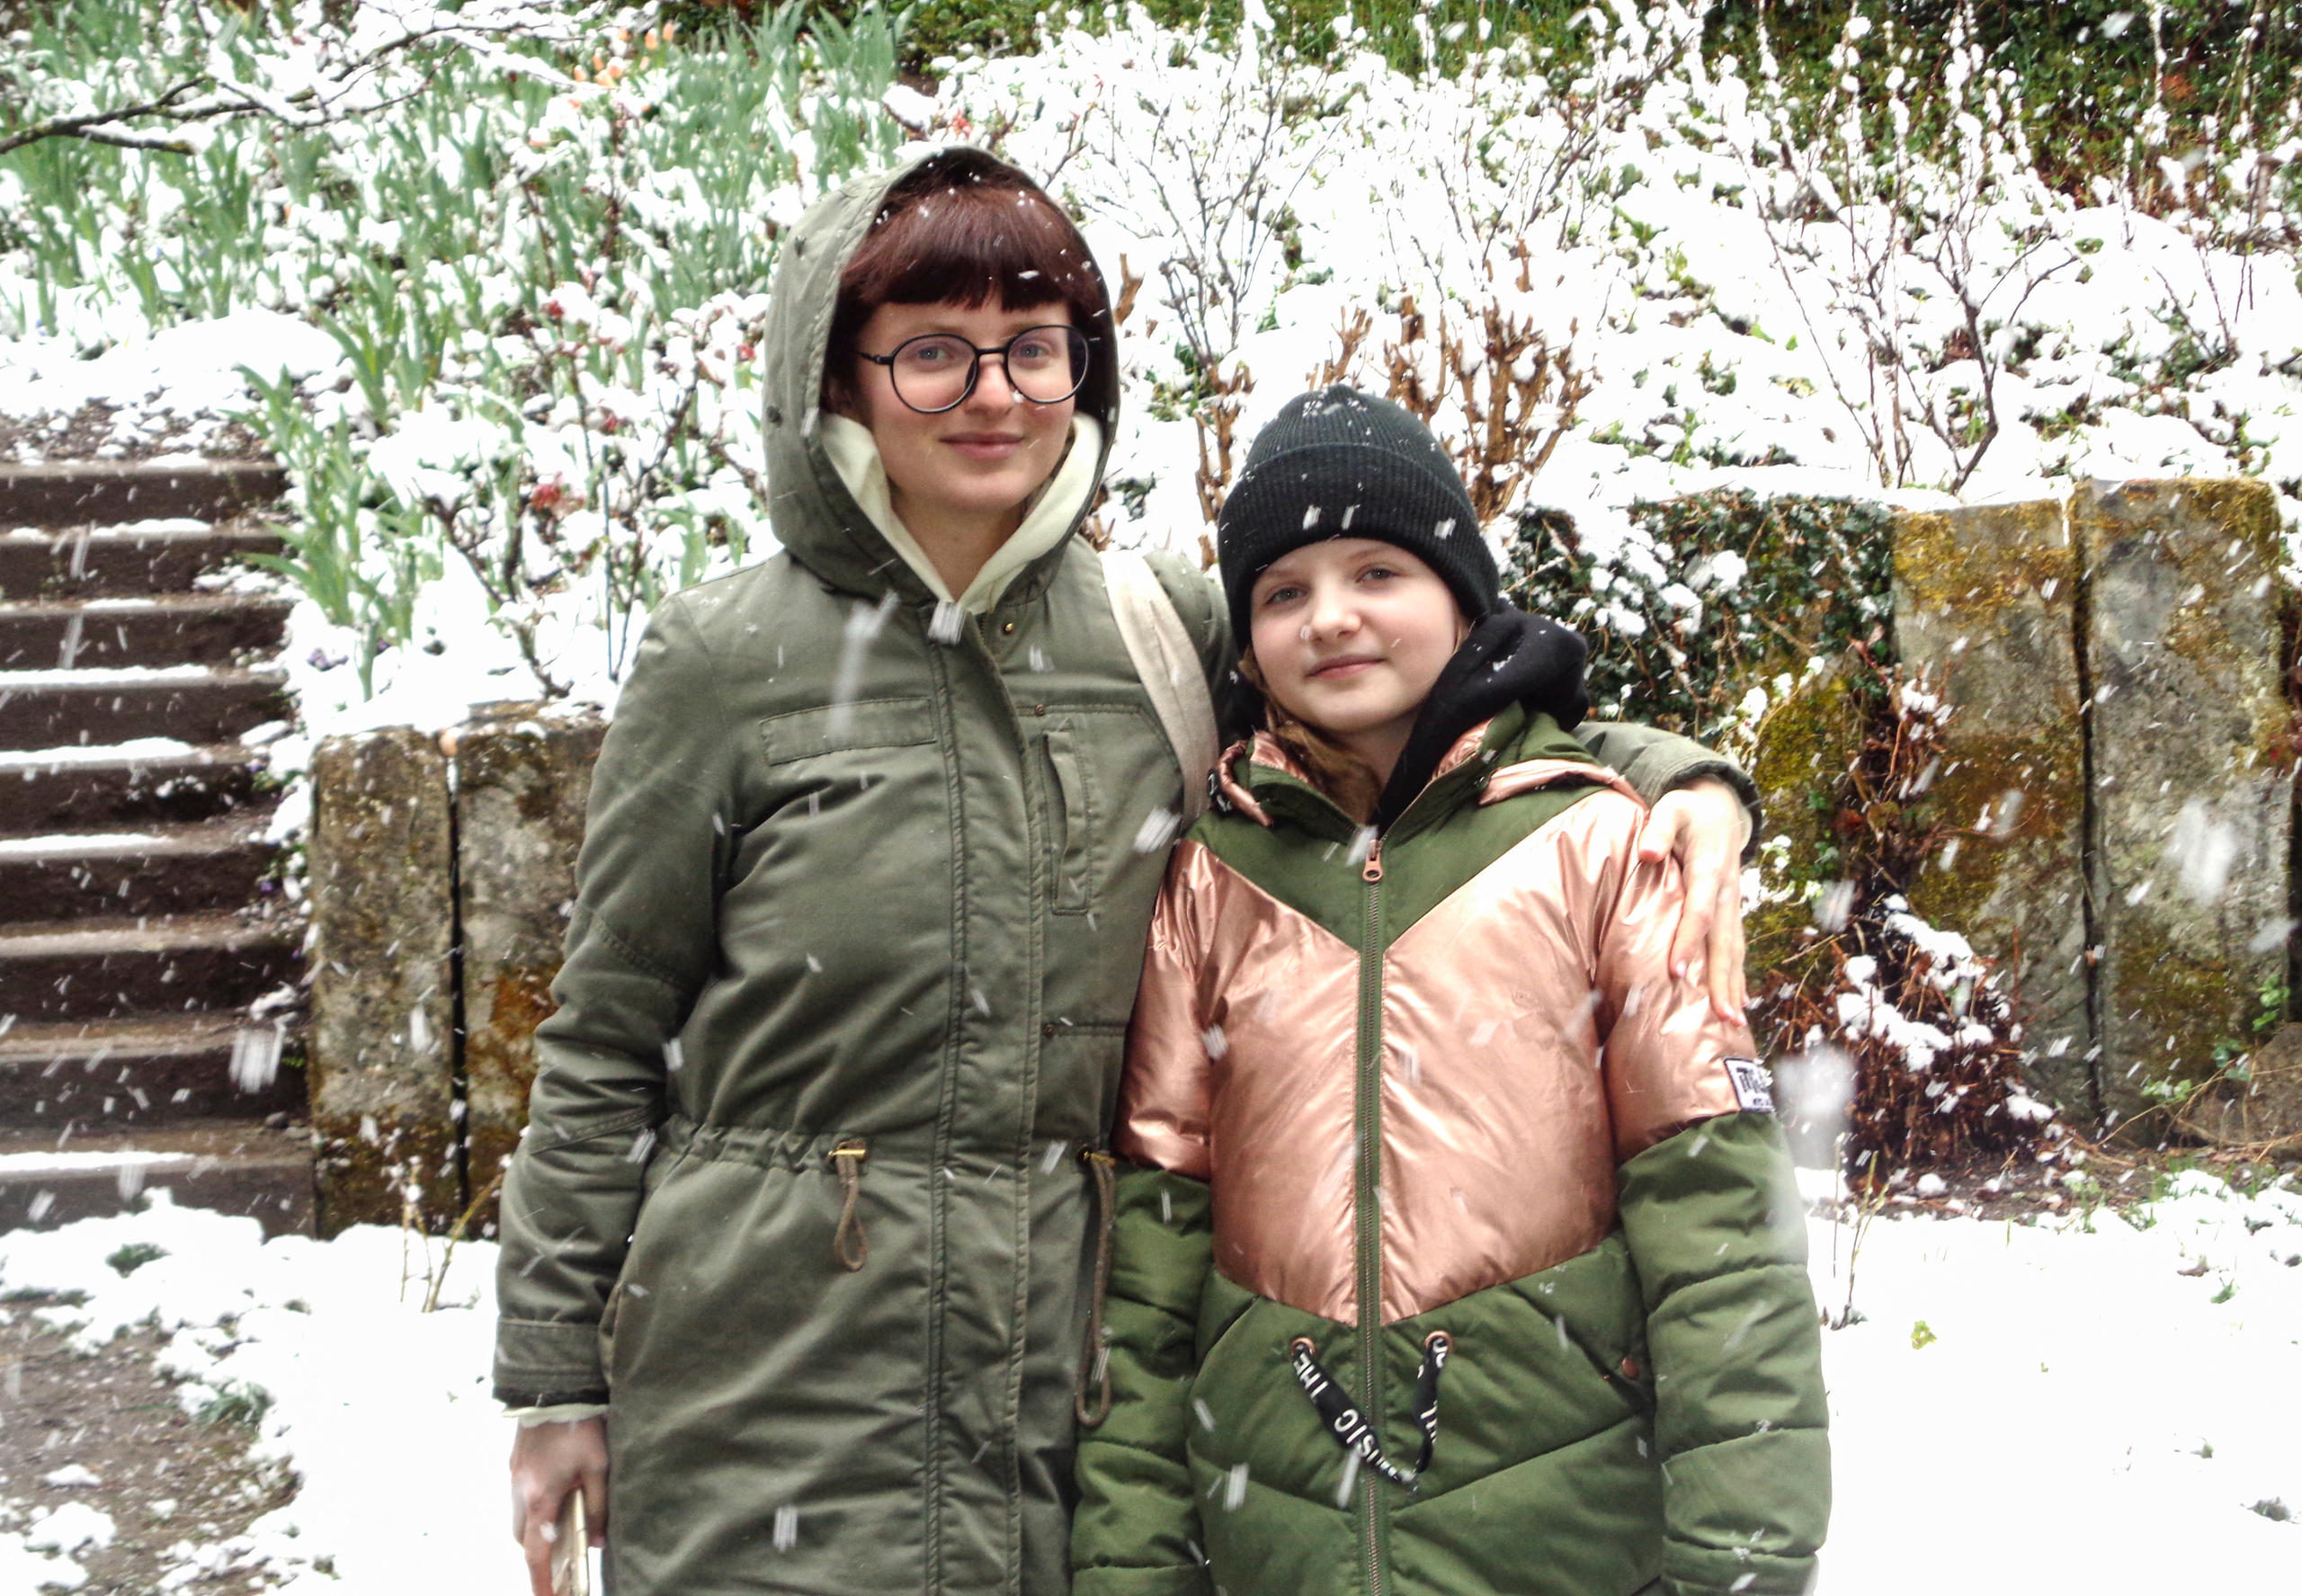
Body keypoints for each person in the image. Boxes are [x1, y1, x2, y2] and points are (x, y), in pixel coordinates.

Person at [493, 149, 1765, 1596]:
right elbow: (605, 1041)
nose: (993, 394)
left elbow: (1439, 692)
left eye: (1034, 349)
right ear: (832, 378)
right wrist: (553, 1379)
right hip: (769, 1384)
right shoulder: (726, 662)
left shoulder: (1162, 630)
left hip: (1068, 1386)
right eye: (931, 352)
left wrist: (1685, 784)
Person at [1068, 388, 1830, 1596]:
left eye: (1379, 571)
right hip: (1283, 1539)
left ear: (1462, 596)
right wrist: (1130, 1566)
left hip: (1560, 1537)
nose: (1331, 619)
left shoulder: (1607, 850)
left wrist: (1745, 1555)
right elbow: (1151, 1278)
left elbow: (1720, 1242)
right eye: (1283, 591)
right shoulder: (1212, 881)